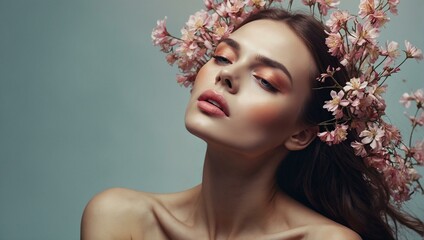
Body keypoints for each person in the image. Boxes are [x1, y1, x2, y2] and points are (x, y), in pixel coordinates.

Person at [80, 8, 424, 240]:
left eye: (265, 80)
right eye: (222, 57)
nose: (226, 75)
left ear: (301, 133)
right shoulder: (120, 218)